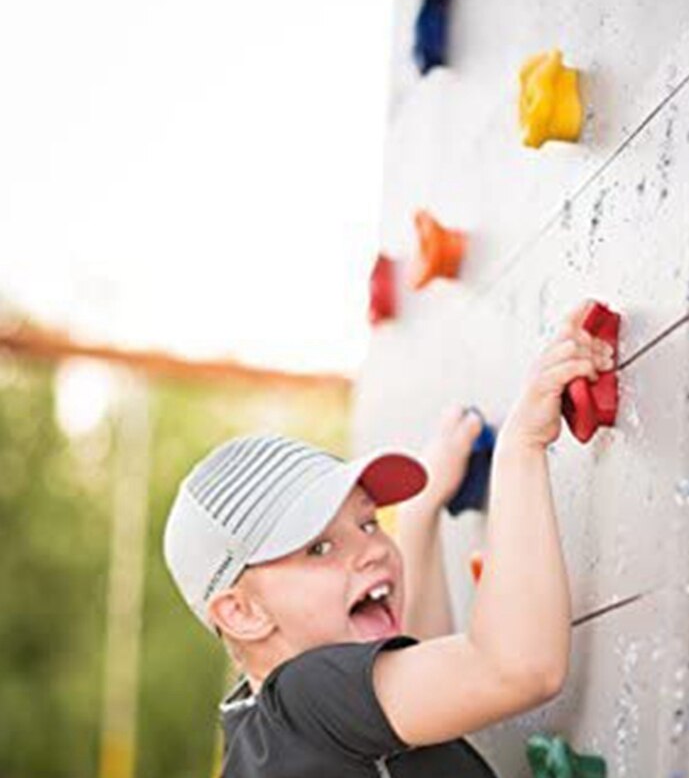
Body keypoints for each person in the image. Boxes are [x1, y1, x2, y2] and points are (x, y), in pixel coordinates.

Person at [163, 300, 615, 777]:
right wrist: (521, 445)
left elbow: (435, 669)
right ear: (243, 612)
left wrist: (421, 515)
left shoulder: (274, 735)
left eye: (367, 523)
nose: (372, 549)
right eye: (319, 547)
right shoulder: (304, 695)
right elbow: (518, 668)